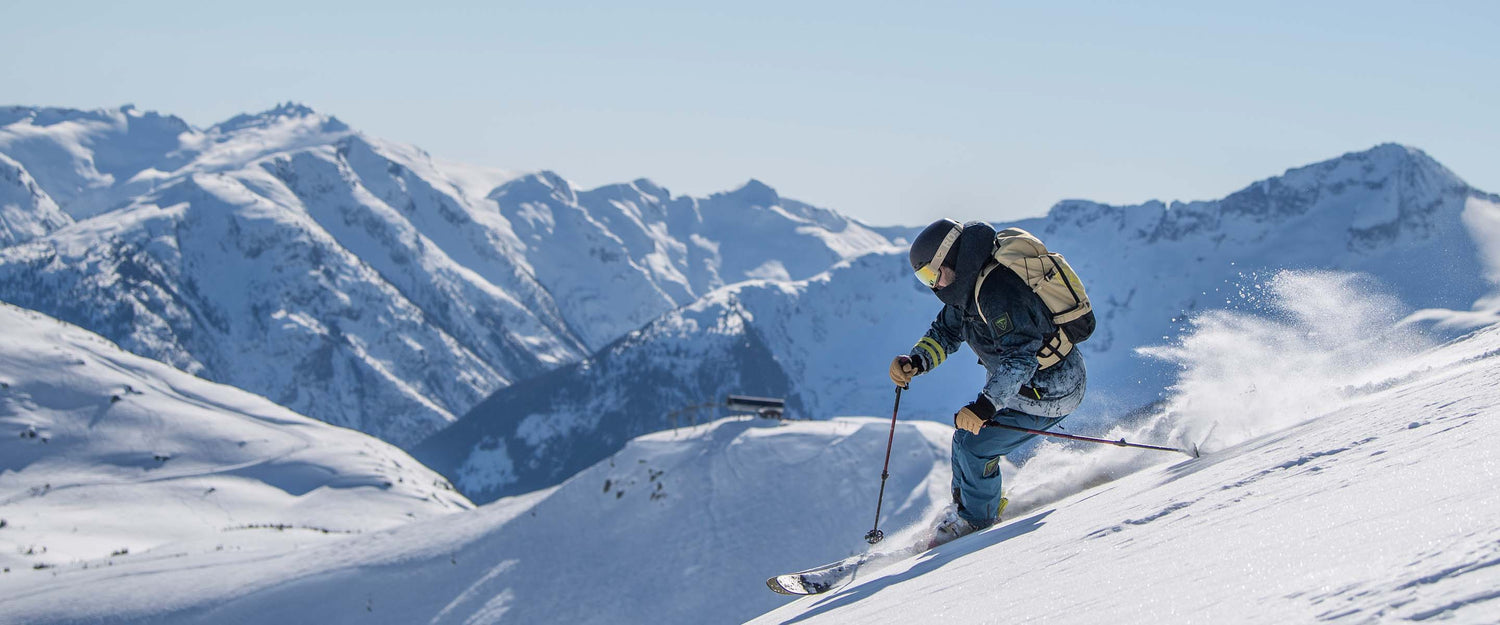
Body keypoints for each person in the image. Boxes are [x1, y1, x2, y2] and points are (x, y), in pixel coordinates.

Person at [890, 218, 1088, 544]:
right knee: (965, 440)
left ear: (951, 260)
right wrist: (916, 361)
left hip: (1051, 388)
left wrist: (984, 406)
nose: (933, 286)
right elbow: (946, 332)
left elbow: (1021, 359)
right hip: (1028, 385)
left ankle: (976, 523)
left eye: (932, 275)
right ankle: (969, 508)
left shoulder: (997, 292)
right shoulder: (966, 290)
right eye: (924, 279)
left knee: (974, 446)